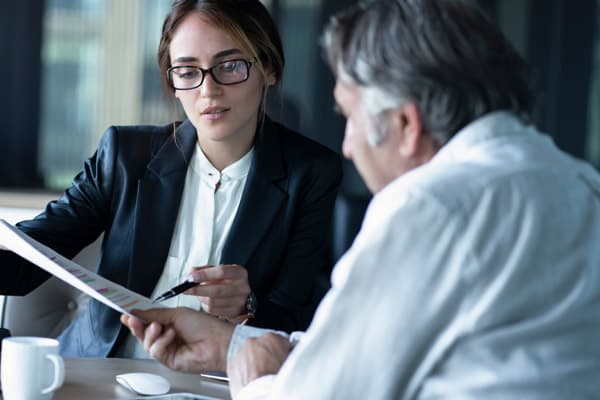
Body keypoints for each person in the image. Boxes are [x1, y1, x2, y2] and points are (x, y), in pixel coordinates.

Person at [122, 0, 600, 398]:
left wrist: (256, 379)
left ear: (405, 126)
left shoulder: (431, 206)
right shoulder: (575, 182)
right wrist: (234, 343)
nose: (347, 146)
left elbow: (326, 394)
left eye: (350, 116)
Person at [0, 0, 342, 358]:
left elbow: (300, 318)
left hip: (219, 383)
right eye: (187, 71)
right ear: (173, 82)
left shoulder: (312, 173)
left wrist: (248, 306)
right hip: (99, 374)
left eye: (230, 66)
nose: (208, 90)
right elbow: (28, 260)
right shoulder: (124, 155)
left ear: (269, 69)